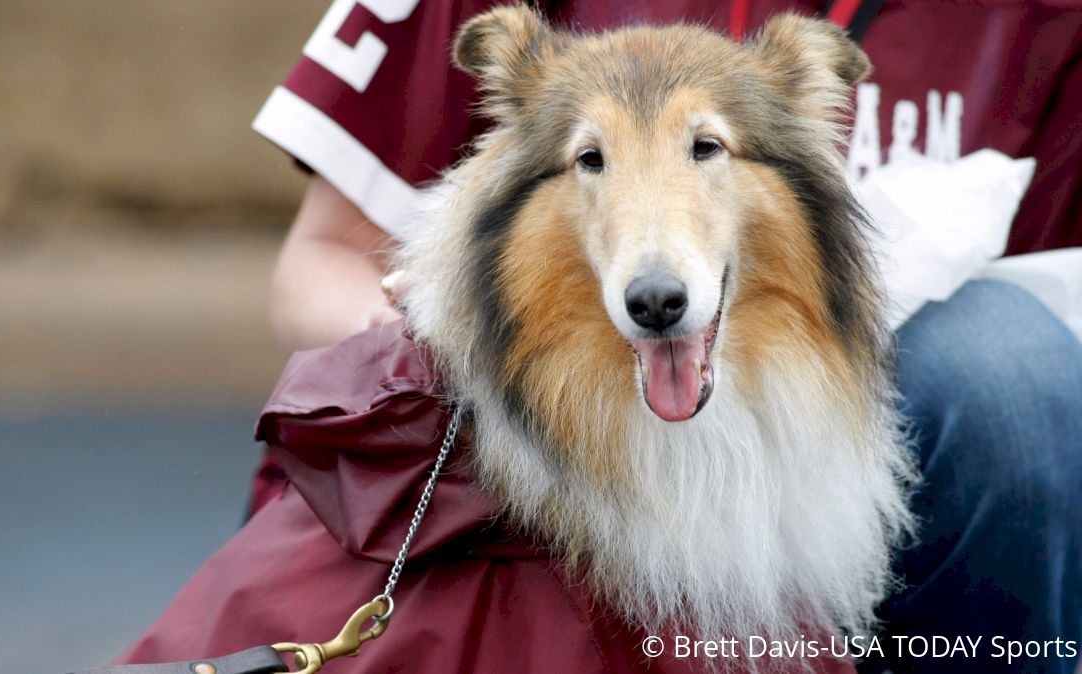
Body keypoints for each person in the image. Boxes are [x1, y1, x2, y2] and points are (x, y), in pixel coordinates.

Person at [126, 2, 1082, 673]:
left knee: (1008, 370)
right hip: (463, 512)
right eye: (590, 159)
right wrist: (458, 349)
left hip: (845, 450)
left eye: (706, 148)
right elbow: (315, 264)